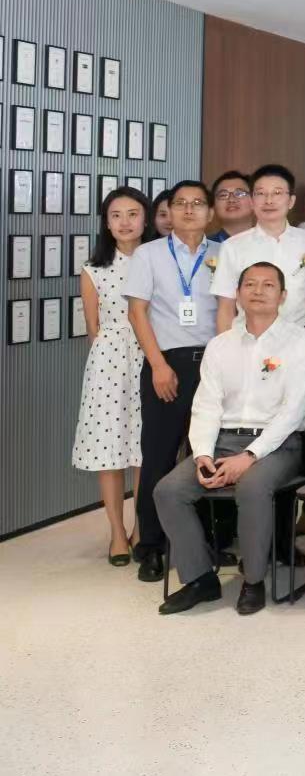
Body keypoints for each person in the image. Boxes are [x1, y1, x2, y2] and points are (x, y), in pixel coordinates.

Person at [155, 261, 305, 615]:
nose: (258, 291)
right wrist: (202, 454)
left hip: (278, 445)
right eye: (250, 284)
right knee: (168, 490)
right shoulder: (220, 345)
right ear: (238, 293)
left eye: (268, 285)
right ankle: (201, 579)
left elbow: (292, 412)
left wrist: (249, 456)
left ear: (283, 295)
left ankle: (254, 581)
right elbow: (206, 405)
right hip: (221, 443)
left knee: (252, 487)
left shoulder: (301, 342)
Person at [126, 181, 221, 582]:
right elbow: (137, 313)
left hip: (213, 364)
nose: (188, 210)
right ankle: (150, 545)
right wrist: (158, 365)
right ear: (168, 211)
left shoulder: (223, 254)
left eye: (197, 203)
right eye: (180, 203)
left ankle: (206, 542)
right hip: (167, 364)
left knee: (207, 453)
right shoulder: (149, 254)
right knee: (159, 456)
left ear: (210, 213)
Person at [72, 187, 154, 566]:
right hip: (108, 364)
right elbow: (93, 328)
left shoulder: (157, 260)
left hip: (151, 356)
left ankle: (141, 527)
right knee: (109, 450)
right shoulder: (93, 269)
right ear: (106, 223)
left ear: (146, 219)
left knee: (144, 448)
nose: (124, 222)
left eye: (132, 214)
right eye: (115, 215)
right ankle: (117, 533)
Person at [210, 164, 305, 332]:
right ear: (251, 201)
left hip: (300, 336)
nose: (269, 200)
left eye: (277, 193)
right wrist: (225, 346)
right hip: (248, 337)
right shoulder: (233, 246)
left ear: (291, 201)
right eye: (261, 193)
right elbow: (226, 307)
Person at [209, 170, 254, 243]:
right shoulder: (202, 247)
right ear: (214, 206)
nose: (231, 199)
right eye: (223, 195)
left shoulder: (270, 244)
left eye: (239, 193)